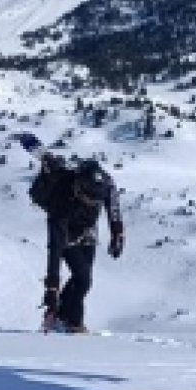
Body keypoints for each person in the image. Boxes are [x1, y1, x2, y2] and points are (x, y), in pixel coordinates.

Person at [24, 135, 124, 333]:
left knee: (83, 280)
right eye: (88, 199)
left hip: (87, 230)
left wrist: (117, 232)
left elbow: (113, 205)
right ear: (78, 189)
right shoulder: (61, 203)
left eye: (95, 201)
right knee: (83, 277)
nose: (92, 203)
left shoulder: (105, 184)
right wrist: (51, 289)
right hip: (66, 229)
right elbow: (55, 251)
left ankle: (61, 317)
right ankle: (72, 324)